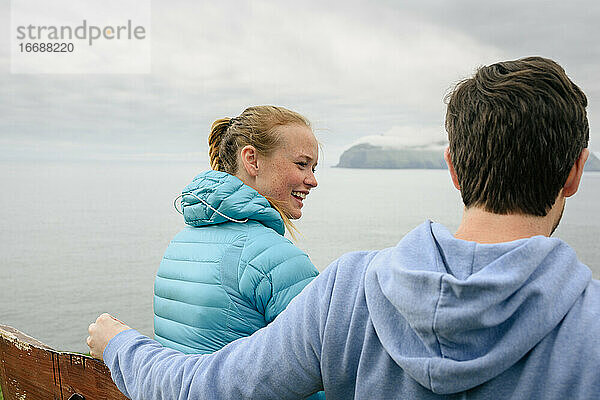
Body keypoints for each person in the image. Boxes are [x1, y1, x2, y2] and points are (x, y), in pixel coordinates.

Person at [88, 57, 599, 399]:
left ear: (454, 168)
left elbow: (203, 386)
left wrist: (120, 345)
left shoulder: (347, 293)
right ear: (575, 172)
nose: (313, 179)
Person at [153, 106, 321, 357]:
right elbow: (321, 366)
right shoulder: (275, 259)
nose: (312, 180)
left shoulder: (181, 243)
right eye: (301, 164)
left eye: (313, 169)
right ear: (252, 160)